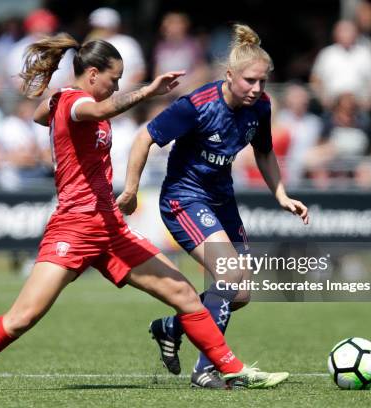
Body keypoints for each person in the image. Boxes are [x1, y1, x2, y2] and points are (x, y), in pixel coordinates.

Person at [0, 33, 288, 392]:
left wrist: (54, 115)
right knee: (23, 317)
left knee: (184, 294)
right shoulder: (76, 103)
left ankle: (232, 369)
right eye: (113, 78)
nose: (117, 86)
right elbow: (103, 106)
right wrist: (148, 91)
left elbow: (44, 115)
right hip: (74, 227)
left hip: (110, 228)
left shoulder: (62, 102)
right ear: (92, 74)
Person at [117, 24, 308, 389]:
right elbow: (144, 138)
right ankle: (206, 369)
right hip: (184, 199)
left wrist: (281, 194)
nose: (257, 89)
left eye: (263, 82)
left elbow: (264, 151)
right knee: (231, 275)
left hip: (222, 201)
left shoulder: (261, 107)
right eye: (250, 81)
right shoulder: (197, 106)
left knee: (239, 294)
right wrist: (130, 190)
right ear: (230, 75)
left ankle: (171, 326)